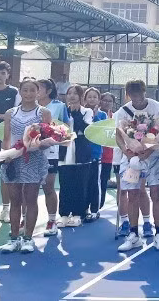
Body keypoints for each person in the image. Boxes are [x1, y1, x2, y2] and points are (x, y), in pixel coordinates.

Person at [0, 79, 53, 253]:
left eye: (32, 90)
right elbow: (7, 138)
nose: (28, 94)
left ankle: (28, 238)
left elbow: (47, 138)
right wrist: (6, 155)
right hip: (13, 160)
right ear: (20, 92)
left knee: (30, 199)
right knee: (15, 200)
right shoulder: (10, 113)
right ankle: (14, 238)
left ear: (38, 92)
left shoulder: (43, 112)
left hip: (34, 160)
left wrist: (36, 145)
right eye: (25, 90)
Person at [114, 80, 159, 252]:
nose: (137, 99)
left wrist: (148, 151)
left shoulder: (157, 107)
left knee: (156, 193)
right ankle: (133, 235)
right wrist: (126, 151)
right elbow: (119, 135)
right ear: (128, 95)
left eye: (140, 94)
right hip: (131, 158)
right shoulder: (122, 111)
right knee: (132, 194)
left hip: (153, 156)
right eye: (133, 95)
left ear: (145, 92)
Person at [57, 85, 94, 227]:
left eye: (75, 93)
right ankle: (64, 214)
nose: (72, 96)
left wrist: (75, 113)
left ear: (81, 96)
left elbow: (85, 129)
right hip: (64, 151)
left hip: (81, 152)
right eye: (69, 93)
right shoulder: (62, 110)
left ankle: (79, 214)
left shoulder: (87, 111)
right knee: (65, 184)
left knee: (80, 184)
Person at [37, 78, 69, 236]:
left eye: (38, 88)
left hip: (50, 152)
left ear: (48, 91)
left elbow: (66, 129)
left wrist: (54, 135)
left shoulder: (59, 106)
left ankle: (51, 221)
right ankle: (25, 220)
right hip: (30, 151)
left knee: (48, 186)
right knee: (27, 189)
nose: (34, 92)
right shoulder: (25, 107)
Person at [0, 61, 20, 224]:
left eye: (2, 73)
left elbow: (17, 113)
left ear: (8, 75)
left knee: (5, 174)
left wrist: (0, 116)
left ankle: (5, 209)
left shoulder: (14, 92)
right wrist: (2, 116)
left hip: (5, 138)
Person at [83, 87, 105, 223]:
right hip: (81, 154)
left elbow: (101, 130)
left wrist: (95, 115)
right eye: (89, 97)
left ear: (98, 99)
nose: (92, 99)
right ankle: (83, 208)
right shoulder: (81, 112)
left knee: (94, 183)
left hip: (96, 153)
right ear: (85, 99)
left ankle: (94, 210)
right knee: (83, 183)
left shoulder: (102, 115)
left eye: (94, 97)